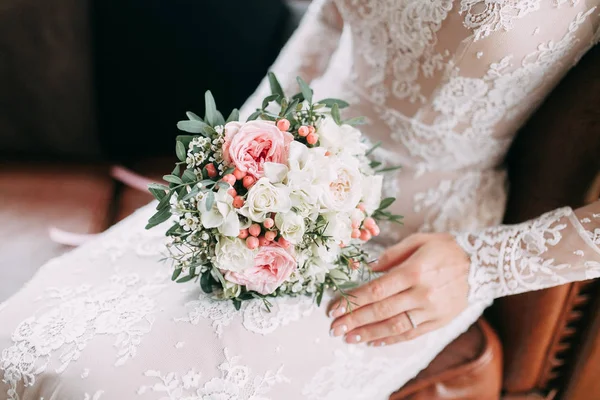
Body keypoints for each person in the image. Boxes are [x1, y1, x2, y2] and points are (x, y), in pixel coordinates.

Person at [1, 1, 599, 399]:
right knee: (21, 345)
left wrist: (482, 264)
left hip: (407, 248)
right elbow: (330, 23)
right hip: (267, 178)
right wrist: (232, 161)